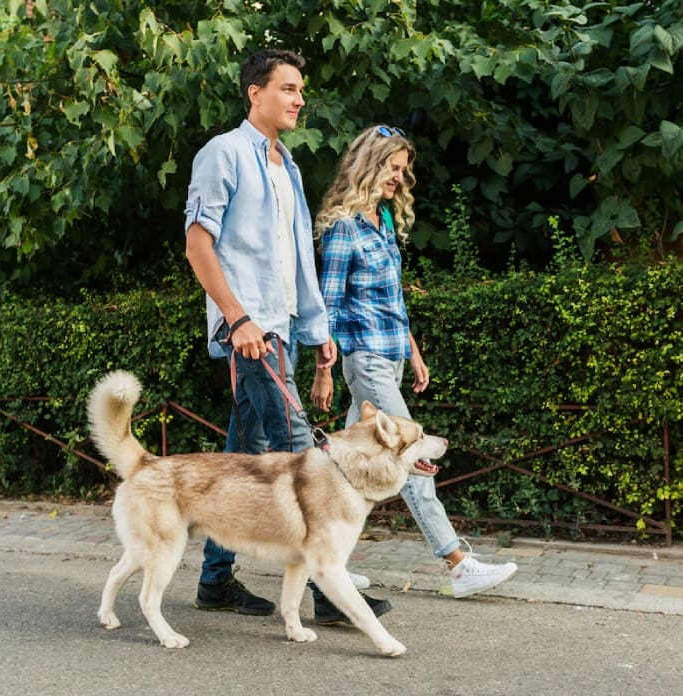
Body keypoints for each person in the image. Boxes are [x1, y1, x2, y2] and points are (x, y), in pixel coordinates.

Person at [183, 49, 390, 623]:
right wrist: (236, 317)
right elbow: (198, 243)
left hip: (282, 329)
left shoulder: (288, 166)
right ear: (256, 93)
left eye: (301, 90)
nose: (300, 99)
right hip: (251, 332)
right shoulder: (223, 153)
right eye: (289, 88)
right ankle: (329, 593)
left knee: (239, 458)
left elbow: (299, 255)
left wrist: (319, 330)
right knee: (307, 455)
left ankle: (215, 582)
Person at [311, 125, 518, 598]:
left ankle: (324, 563)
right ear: (370, 163)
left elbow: (392, 301)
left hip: (391, 357)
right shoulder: (344, 227)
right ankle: (457, 563)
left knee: (342, 467)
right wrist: (323, 370)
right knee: (409, 457)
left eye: (405, 171)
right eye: (393, 168)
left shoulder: (383, 220)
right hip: (363, 359)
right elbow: (329, 305)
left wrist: (415, 352)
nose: (400, 179)